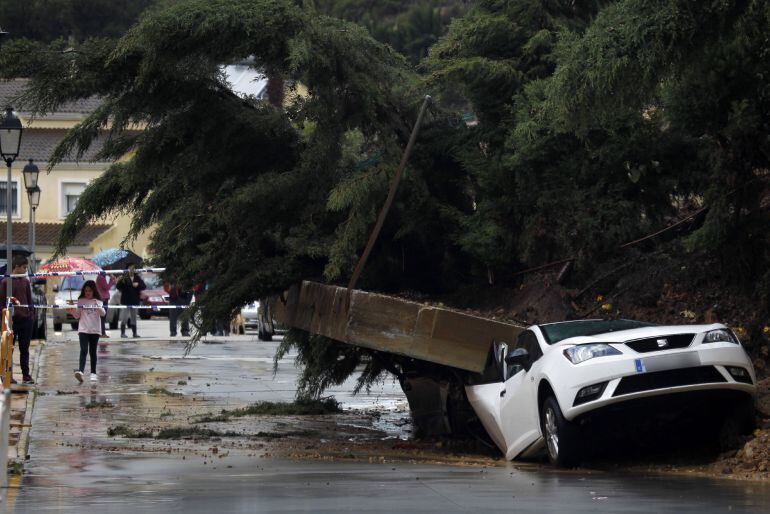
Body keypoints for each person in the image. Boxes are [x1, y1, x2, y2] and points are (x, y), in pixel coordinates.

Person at [0, 255, 35, 384]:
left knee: (24, 349)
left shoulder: (25, 281)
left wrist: (31, 314)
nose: (26, 270)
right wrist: (4, 317)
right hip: (11, 321)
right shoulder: (6, 281)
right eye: (24, 267)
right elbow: (2, 302)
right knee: (9, 349)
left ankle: (26, 375)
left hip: (26, 320)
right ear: (17, 267)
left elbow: (29, 299)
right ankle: (8, 374)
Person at [67, 280, 105, 383]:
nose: (87, 292)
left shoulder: (98, 301)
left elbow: (103, 314)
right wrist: (71, 309)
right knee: (83, 350)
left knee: (93, 352)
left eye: (90, 291)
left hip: (95, 330)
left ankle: (93, 373)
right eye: (86, 290)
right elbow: (77, 315)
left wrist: (98, 306)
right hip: (83, 329)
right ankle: (81, 371)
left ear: (94, 291)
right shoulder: (81, 301)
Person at [116, 264, 145, 338]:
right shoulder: (124, 277)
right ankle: (122, 333)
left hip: (134, 300)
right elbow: (118, 287)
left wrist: (138, 284)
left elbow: (144, 286)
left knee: (134, 317)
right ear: (127, 269)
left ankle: (134, 333)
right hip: (126, 300)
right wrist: (120, 281)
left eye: (133, 268)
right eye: (130, 268)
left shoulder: (137, 277)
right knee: (124, 317)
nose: (131, 269)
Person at [95, 273, 114, 337]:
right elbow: (107, 287)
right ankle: (102, 333)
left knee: (102, 317)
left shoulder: (100, 277)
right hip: (103, 298)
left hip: (103, 298)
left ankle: (101, 333)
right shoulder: (101, 278)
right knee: (103, 316)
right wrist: (112, 279)